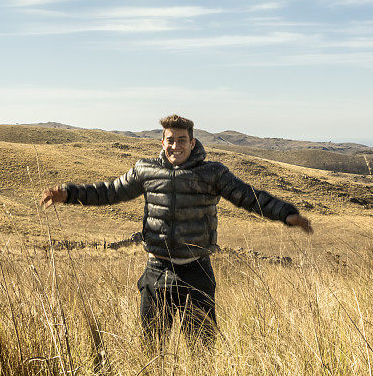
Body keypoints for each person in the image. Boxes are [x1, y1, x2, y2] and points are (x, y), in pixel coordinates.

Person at [39, 114, 313, 349]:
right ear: (162, 142)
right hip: (157, 270)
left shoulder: (213, 173)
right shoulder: (145, 170)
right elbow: (109, 191)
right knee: (151, 348)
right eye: (170, 139)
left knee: (202, 350)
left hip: (197, 271)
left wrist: (285, 213)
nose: (175, 145)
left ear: (192, 143)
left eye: (182, 140)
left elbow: (248, 196)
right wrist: (70, 193)